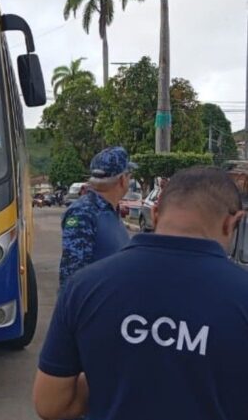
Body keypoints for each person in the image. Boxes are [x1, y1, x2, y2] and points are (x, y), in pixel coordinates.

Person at [33, 166, 248, 420]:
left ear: (155, 214)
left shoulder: (84, 286)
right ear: (233, 222)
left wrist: (120, 374)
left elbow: (51, 404)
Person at [58, 146, 134, 287]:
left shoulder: (109, 210)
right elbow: (73, 276)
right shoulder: (83, 213)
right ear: (123, 179)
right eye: (130, 175)